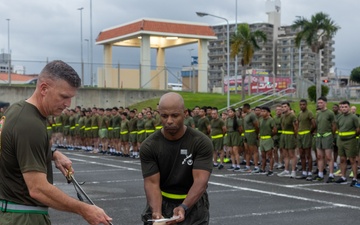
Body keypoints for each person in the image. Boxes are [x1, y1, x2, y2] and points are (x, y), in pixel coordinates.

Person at [0, 60, 112, 224]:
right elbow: (38, 189)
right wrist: (84, 209)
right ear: (44, 89)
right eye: (64, 97)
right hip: (24, 217)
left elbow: (15, 149)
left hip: (14, 212)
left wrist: (52, 154)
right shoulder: (30, 124)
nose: (68, 104)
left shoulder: (17, 110)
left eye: (71, 98)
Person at [140, 92, 213, 225]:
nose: (169, 121)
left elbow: (200, 181)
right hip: (162, 200)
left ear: (185, 113)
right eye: (164, 116)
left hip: (193, 204)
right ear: (159, 114)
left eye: (174, 115)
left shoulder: (201, 142)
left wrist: (184, 207)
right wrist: (156, 211)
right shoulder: (149, 145)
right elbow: (151, 183)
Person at [335, 100, 359, 186]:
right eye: (342, 107)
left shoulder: (354, 117)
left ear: (349, 107)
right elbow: (338, 127)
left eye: (345, 107)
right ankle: (343, 177)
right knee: (342, 159)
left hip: (350, 141)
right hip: (341, 140)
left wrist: (353, 136)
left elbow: (358, 128)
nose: (343, 108)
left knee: (352, 160)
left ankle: (355, 178)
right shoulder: (339, 117)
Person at [314, 96, 336, 182]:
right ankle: (320, 174)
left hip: (327, 136)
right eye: (318, 103)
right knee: (319, 156)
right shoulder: (318, 113)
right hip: (319, 136)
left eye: (321, 103)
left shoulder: (330, 113)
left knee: (329, 157)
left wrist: (332, 136)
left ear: (325, 103)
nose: (319, 104)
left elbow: (334, 126)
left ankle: (331, 175)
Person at [296, 99, 316, 180]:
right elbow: (298, 124)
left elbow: (314, 124)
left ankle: (310, 172)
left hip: (306, 134)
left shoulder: (309, 113)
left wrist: (309, 132)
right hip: (300, 135)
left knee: (308, 154)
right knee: (301, 154)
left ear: (306, 105)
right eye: (300, 105)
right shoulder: (299, 114)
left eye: (303, 104)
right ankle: (304, 172)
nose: (302, 106)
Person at [277, 102, 298, 178]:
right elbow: (282, 126)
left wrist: (295, 137)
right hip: (284, 135)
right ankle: (286, 170)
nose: (283, 108)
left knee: (291, 154)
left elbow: (296, 127)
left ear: (289, 107)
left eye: (285, 106)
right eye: (282, 107)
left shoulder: (292, 116)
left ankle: (293, 171)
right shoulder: (282, 116)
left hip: (290, 135)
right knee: (285, 154)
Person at [259, 106, 277, 176]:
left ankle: (271, 169)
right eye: (262, 111)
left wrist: (270, 135)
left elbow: (275, 130)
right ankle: (263, 168)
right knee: (263, 155)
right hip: (262, 139)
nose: (262, 112)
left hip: (268, 138)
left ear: (268, 113)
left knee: (270, 155)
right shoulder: (261, 120)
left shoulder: (271, 120)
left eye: (264, 111)